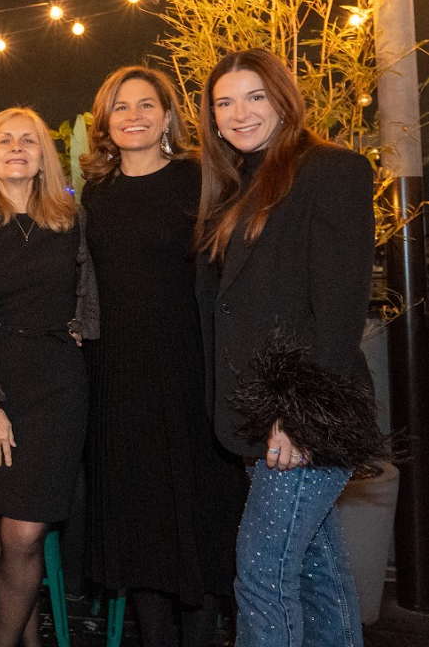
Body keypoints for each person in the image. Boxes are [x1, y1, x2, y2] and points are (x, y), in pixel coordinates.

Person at [195, 49, 383, 647]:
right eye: (224, 102)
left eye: (254, 96)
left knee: (260, 576)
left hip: (301, 421)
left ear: (282, 98)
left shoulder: (332, 170)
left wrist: (299, 418)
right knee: (318, 575)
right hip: (258, 419)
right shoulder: (235, 183)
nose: (239, 112)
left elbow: (338, 311)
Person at [79, 67, 244, 647]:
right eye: (120, 108)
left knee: (192, 513)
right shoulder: (94, 194)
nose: (133, 117)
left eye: (145, 105)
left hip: (189, 369)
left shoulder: (201, 180)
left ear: (169, 115)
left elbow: (231, 277)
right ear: (105, 122)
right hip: (115, 375)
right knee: (138, 519)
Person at [0, 107, 98, 647]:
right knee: (17, 533)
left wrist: (83, 324)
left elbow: (90, 291)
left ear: (42, 155)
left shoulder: (70, 219)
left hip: (59, 386)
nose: (15, 147)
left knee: (24, 534)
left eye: (27, 140)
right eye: (2, 140)